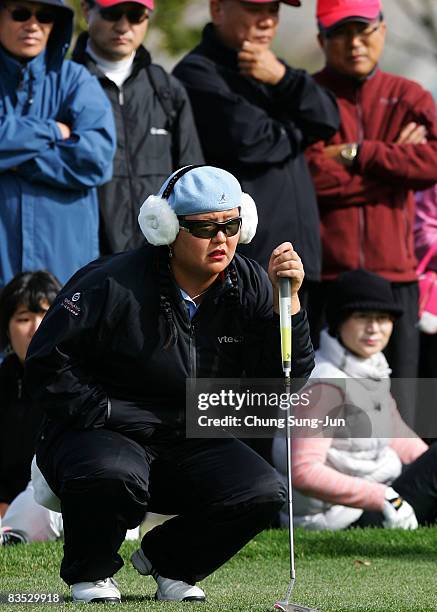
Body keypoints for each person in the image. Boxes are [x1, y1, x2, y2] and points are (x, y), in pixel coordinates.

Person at [25, 165, 314, 603]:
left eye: (231, 225)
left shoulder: (255, 283)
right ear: (164, 228)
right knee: (113, 471)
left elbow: (280, 384)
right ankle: (93, 572)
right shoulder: (110, 281)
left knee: (262, 489)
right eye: (203, 228)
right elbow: (46, 364)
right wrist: (103, 410)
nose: (221, 239)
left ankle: (171, 563)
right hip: (102, 432)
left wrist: (285, 310)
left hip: (188, 438)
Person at [305, 0, 437, 424]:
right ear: (321, 39)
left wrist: (359, 153)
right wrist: (396, 164)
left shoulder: (409, 94)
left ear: (382, 30)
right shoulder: (308, 95)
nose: (354, 42)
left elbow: (433, 163)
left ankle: (404, 494)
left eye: (363, 30)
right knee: (329, 411)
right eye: (341, 33)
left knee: (409, 411)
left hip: (396, 278)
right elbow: (308, 178)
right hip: (327, 280)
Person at [173, 0, 340, 292]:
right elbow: (252, 141)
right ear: (217, 9)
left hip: (301, 264)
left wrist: (284, 79)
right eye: (254, 9)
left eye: (273, 10)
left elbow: (327, 118)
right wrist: (300, 129)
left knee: (299, 340)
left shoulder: (271, 68)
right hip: (245, 265)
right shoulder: (196, 73)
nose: (266, 21)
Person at [273, 269, 437, 530]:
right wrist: (382, 497)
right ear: (339, 321)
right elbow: (303, 472)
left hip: (376, 497)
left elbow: (398, 439)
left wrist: (430, 468)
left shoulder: (371, 369)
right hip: (340, 519)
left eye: (383, 318)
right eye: (362, 317)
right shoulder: (324, 383)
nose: (374, 328)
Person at [72, 0, 204, 255]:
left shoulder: (167, 90)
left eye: (135, 16)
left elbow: (191, 179)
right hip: (86, 257)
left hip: (157, 261)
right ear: (86, 11)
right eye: (112, 13)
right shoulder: (64, 85)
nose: (123, 26)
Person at [0, 0, 116, 288]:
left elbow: (96, 160)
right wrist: (51, 129)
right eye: (21, 13)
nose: (33, 25)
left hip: (65, 270)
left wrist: (16, 160)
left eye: (46, 16)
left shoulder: (76, 81)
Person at [0, 271, 63, 545]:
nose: (36, 328)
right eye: (24, 319)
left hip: (63, 497)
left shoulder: (81, 379)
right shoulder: (3, 384)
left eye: (45, 316)